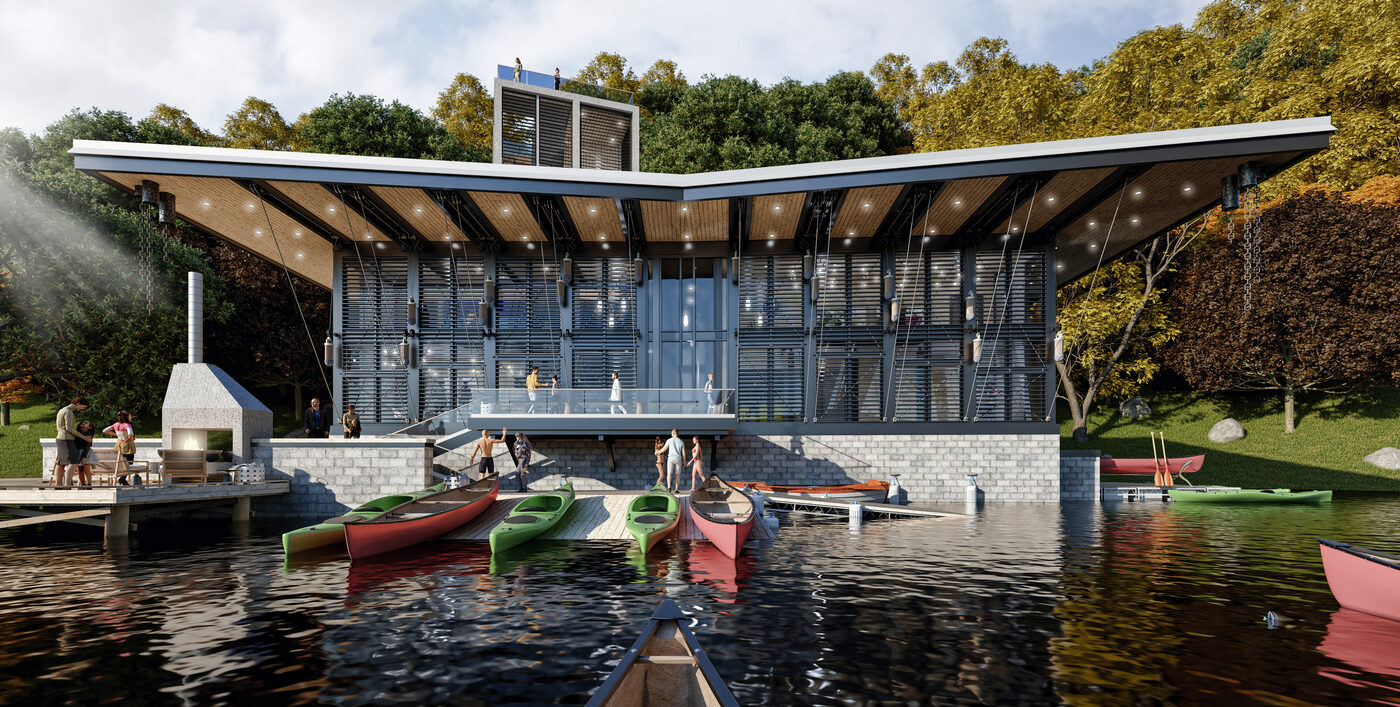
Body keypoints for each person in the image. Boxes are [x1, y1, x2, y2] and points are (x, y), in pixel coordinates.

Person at [54, 396, 91, 489]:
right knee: (73, 462)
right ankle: (67, 485)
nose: (82, 409)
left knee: (61, 463)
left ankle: (58, 485)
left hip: (60, 438)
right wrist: (84, 437)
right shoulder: (68, 412)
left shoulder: (62, 410)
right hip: (67, 439)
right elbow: (69, 428)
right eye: (82, 407)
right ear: (77, 404)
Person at [103, 411, 138, 485]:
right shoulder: (127, 425)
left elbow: (104, 430)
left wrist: (116, 435)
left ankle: (123, 479)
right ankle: (122, 479)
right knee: (129, 463)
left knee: (120, 463)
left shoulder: (115, 424)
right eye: (130, 416)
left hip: (118, 445)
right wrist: (128, 439)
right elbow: (130, 434)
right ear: (127, 417)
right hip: (127, 446)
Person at [74, 420, 97, 488]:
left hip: (86, 452)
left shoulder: (88, 434)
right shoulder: (77, 433)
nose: (84, 423)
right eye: (84, 422)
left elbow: (87, 446)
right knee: (79, 469)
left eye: (87, 423)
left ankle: (89, 484)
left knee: (86, 468)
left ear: (89, 427)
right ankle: (82, 484)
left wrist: (84, 456)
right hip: (78, 452)